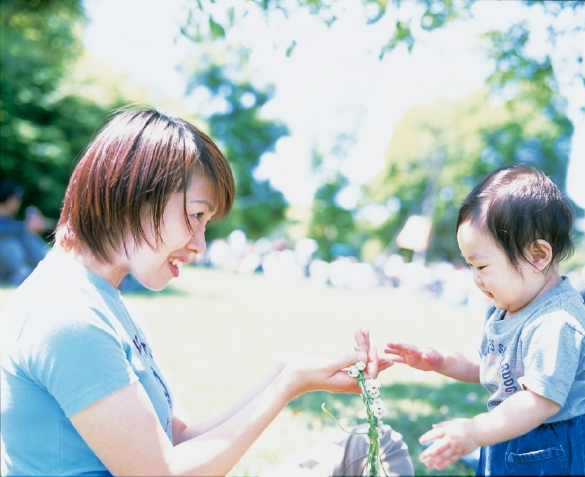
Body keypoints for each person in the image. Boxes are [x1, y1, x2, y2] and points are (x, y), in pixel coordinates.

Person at [0, 108, 414, 476]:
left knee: (367, 448)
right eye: (195, 216)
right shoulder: (66, 314)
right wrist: (288, 384)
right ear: (134, 192)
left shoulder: (101, 301)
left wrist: (286, 372)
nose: (199, 244)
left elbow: (178, 437)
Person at [385, 164, 585, 476]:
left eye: (481, 265)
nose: (475, 278)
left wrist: (474, 432)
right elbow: (486, 362)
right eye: (469, 265)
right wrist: (440, 360)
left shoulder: (556, 323)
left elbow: (539, 401)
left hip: (570, 447)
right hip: (517, 435)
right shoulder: (503, 308)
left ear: (537, 255)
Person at [0, 179, 50, 285]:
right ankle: (23, 273)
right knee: (7, 240)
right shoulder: (10, 225)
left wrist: (30, 228)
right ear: (10, 199)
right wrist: (27, 227)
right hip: (5, 272)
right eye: (17, 199)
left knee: (29, 237)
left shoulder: (10, 222)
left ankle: (49, 266)